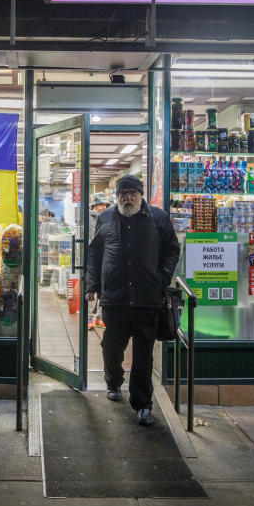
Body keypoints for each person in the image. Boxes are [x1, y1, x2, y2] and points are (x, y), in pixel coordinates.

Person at [85, 175, 180, 426]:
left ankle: (142, 404)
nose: (128, 197)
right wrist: (92, 285)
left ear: (140, 195)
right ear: (116, 197)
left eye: (132, 193)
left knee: (143, 356)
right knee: (111, 348)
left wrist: (162, 277)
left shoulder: (158, 218)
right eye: (123, 193)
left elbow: (172, 249)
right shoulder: (106, 218)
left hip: (147, 299)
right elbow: (94, 254)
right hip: (114, 299)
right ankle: (113, 381)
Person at [87, 192, 111, 330]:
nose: (102, 207)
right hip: (93, 258)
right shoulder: (88, 218)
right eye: (100, 204)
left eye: (104, 204)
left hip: (106, 257)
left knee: (104, 288)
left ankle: (100, 318)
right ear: (94, 205)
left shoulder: (109, 218)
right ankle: (89, 317)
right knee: (91, 288)